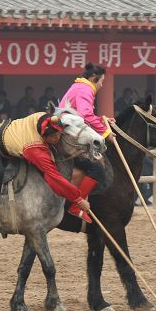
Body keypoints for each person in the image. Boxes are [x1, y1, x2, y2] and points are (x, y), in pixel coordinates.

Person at [0, 111, 89, 233]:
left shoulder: (43, 117)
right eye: (54, 136)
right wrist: (77, 198)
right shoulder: (34, 149)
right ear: (44, 136)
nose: (58, 138)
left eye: (59, 133)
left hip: (10, 147)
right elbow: (54, 177)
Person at [58, 63, 113, 223]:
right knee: (96, 167)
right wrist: (106, 132)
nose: (102, 85)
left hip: (70, 133)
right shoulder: (85, 89)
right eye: (102, 81)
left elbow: (84, 115)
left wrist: (102, 120)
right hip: (69, 138)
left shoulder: (80, 87)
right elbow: (86, 115)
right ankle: (76, 204)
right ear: (94, 79)